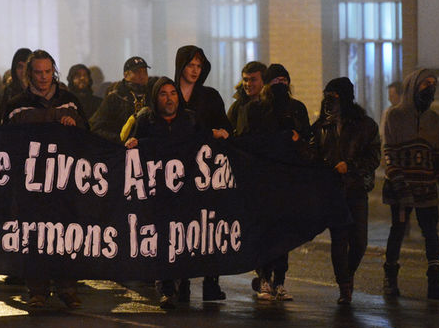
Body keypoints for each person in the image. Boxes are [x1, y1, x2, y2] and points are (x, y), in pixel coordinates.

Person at [125, 77, 222, 308]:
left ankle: (183, 282)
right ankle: (167, 288)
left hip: (186, 191)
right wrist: (133, 143)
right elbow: (134, 147)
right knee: (164, 239)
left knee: (185, 236)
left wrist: (217, 137)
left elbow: (201, 142)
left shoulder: (190, 119)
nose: (169, 99)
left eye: (173, 93)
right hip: (158, 193)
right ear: (155, 98)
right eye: (163, 94)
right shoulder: (145, 120)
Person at [4, 49, 87, 309]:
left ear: (54, 72)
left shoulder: (71, 102)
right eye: (38, 73)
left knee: (65, 234)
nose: (43, 78)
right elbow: (4, 143)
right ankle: (37, 289)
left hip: (65, 182)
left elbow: (88, 137)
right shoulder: (15, 105)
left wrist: (74, 129)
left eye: (47, 72)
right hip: (31, 183)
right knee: (34, 235)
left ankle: (67, 288)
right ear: (29, 74)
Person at [381, 68, 439, 300]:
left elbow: (438, 159)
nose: (430, 88)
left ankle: (435, 281)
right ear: (413, 86)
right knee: (397, 231)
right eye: (425, 83)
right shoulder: (395, 116)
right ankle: (390, 279)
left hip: (426, 187)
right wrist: (399, 184)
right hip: (401, 188)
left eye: (433, 84)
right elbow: (390, 154)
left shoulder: (433, 119)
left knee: (431, 233)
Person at [238, 63, 309, 301]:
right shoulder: (255, 109)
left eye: (283, 81)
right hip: (263, 180)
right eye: (275, 82)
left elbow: (307, 141)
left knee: (283, 233)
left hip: (288, 180)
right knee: (265, 232)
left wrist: (298, 141)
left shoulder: (296, 109)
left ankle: (279, 280)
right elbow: (248, 141)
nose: (280, 86)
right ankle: (264, 278)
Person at [309, 77, 380, 304]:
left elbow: (373, 156)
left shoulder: (365, 125)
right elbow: (312, 154)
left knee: (359, 241)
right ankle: (344, 286)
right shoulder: (321, 126)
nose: (330, 101)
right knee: (339, 239)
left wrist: (350, 166)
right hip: (332, 191)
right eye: (327, 96)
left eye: (335, 97)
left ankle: (347, 274)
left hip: (356, 188)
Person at [174, 46, 232, 300]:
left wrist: (219, 135)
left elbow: (225, 127)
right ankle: (182, 280)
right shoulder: (168, 93)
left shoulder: (210, 96)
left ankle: (211, 280)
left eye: (199, 66)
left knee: (209, 225)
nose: (195, 71)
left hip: (206, 171)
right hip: (176, 171)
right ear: (181, 66)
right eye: (191, 65)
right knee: (181, 226)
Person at [89, 56, 151, 144]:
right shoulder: (115, 98)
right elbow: (95, 128)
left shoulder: (151, 96)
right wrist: (120, 140)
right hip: (118, 151)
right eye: (137, 72)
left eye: (145, 72)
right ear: (126, 75)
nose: (142, 76)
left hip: (147, 151)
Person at [0, 48, 32, 124]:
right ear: (14, 69)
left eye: (27, 67)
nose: (24, 71)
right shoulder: (5, 96)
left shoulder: (43, 92)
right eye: (20, 67)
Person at [227, 61, 266, 134]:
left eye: (253, 80)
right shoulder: (237, 107)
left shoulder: (271, 106)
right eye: (245, 80)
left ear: (264, 81)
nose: (248, 84)